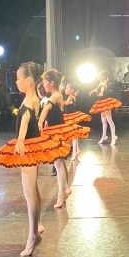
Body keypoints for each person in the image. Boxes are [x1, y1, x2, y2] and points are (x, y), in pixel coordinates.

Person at [0, 62, 70, 257]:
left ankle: (32, 236)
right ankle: (36, 227)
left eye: (18, 79)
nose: (16, 82)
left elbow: (25, 121)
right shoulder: (31, 99)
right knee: (32, 191)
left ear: (29, 80)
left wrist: (21, 140)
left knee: (29, 192)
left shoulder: (31, 100)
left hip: (28, 149)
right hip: (31, 147)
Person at [39, 69, 89, 209]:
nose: (43, 84)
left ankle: (61, 195)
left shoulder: (55, 96)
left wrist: (40, 122)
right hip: (57, 130)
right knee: (59, 163)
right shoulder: (58, 95)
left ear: (51, 83)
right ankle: (66, 188)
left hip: (55, 132)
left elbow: (46, 109)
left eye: (45, 82)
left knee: (58, 164)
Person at [89, 69, 122, 145]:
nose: (98, 76)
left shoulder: (103, 83)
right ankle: (104, 136)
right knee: (103, 120)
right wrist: (93, 91)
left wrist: (101, 92)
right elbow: (98, 88)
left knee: (109, 119)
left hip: (105, 103)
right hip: (101, 102)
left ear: (103, 76)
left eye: (100, 74)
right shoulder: (100, 83)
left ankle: (113, 136)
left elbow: (103, 88)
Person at [63, 81, 90, 160]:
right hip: (70, 117)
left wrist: (59, 99)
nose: (65, 89)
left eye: (67, 88)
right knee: (74, 135)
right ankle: (77, 149)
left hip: (71, 117)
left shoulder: (71, 97)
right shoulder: (71, 96)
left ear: (71, 90)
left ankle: (74, 152)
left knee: (74, 135)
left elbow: (65, 103)